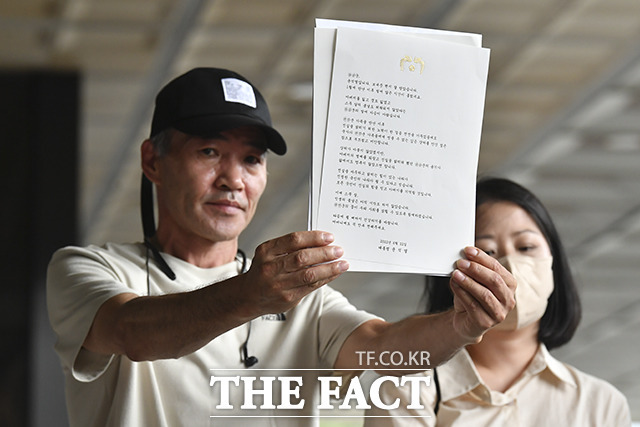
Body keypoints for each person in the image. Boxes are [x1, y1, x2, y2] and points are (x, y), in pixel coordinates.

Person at [46, 68, 516, 427]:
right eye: (209, 152)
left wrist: (459, 328)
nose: (233, 179)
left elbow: (387, 351)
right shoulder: (91, 269)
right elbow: (133, 334)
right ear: (153, 160)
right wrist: (251, 294)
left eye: (251, 159)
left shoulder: (303, 301)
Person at [365, 177, 632, 426]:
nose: (511, 267)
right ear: (452, 275)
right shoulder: (407, 388)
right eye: (488, 252)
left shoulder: (600, 404)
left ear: (554, 262)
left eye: (526, 247)